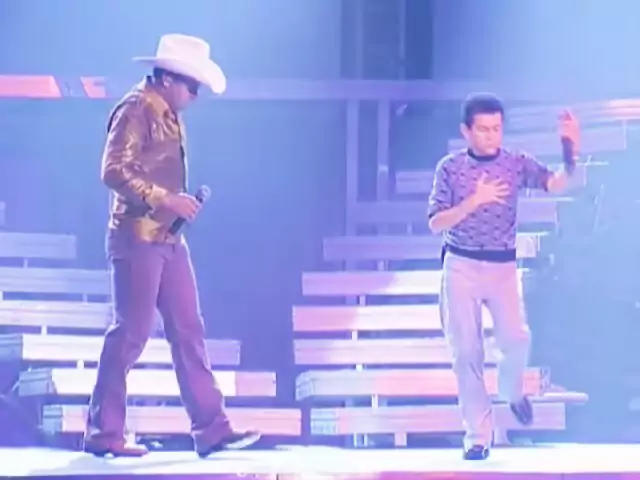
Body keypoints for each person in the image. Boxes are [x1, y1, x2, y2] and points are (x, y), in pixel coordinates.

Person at [83, 34, 260, 458]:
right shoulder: (135, 109)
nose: (195, 95)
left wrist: (175, 205)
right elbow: (113, 170)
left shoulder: (169, 113)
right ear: (166, 78)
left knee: (188, 329)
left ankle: (212, 430)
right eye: (191, 85)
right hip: (136, 238)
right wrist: (167, 199)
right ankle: (103, 433)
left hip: (167, 238)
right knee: (131, 333)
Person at [427, 93, 580, 460]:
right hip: (461, 264)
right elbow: (435, 222)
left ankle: (512, 391)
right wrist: (473, 202)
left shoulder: (515, 163)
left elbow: (556, 183)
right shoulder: (450, 168)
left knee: (516, 338)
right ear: (466, 131)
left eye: (496, 128)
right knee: (467, 352)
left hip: (502, 266)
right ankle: (478, 437)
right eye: (483, 129)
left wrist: (569, 148)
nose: (491, 136)